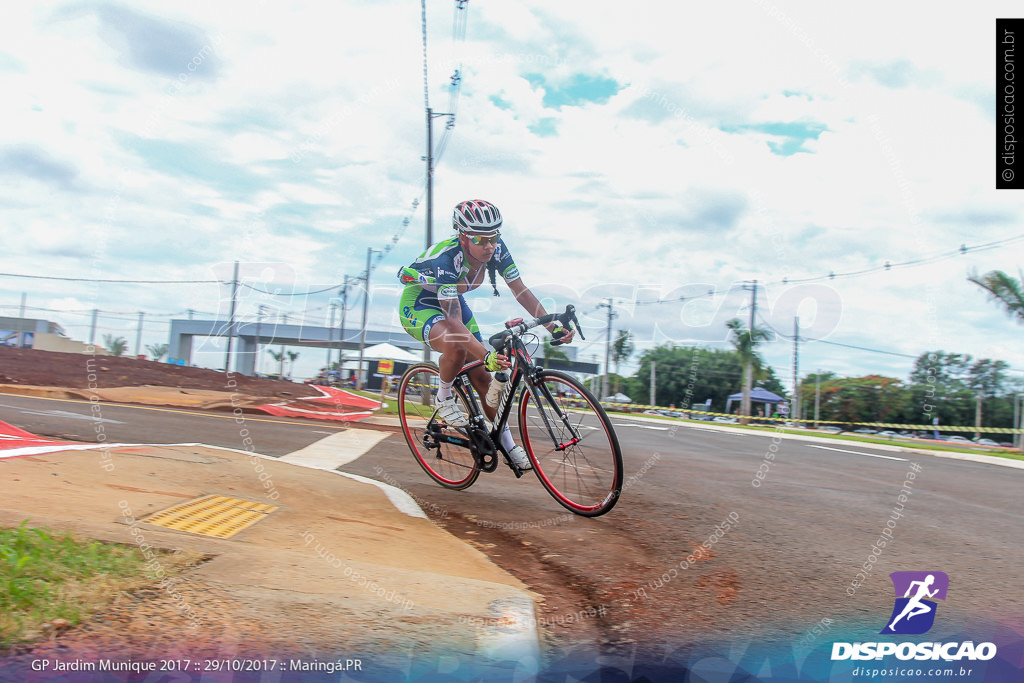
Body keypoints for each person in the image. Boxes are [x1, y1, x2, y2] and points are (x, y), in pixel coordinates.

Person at [398, 199, 573, 470]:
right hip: (419, 304)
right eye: (481, 238)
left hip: (453, 301)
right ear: (462, 236)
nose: (489, 245)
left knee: (483, 377)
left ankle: (507, 444)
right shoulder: (446, 259)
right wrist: (487, 355)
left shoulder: (496, 249)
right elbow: (454, 323)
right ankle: (443, 396)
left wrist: (553, 326)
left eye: (494, 236)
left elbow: (520, 289)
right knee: (457, 347)